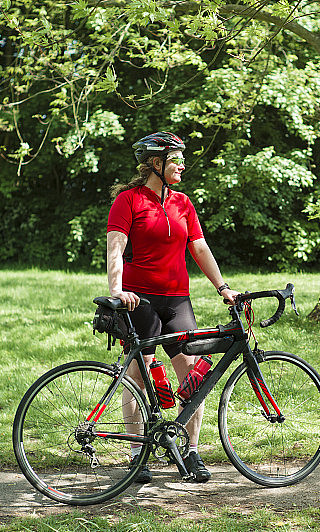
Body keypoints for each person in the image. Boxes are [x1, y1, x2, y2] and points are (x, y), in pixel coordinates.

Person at [106, 131, 240, 483]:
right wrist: (117, 291)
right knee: (137, 376)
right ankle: (137, 456)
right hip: (140, 300)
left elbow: (199, 248)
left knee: (193, 378)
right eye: (175, 159)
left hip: (177, 300)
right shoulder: (129, 200)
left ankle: (191, 452)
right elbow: (116, 247)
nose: (182, 164)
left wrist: (223, 287)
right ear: (155, 163)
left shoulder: (183, 202)